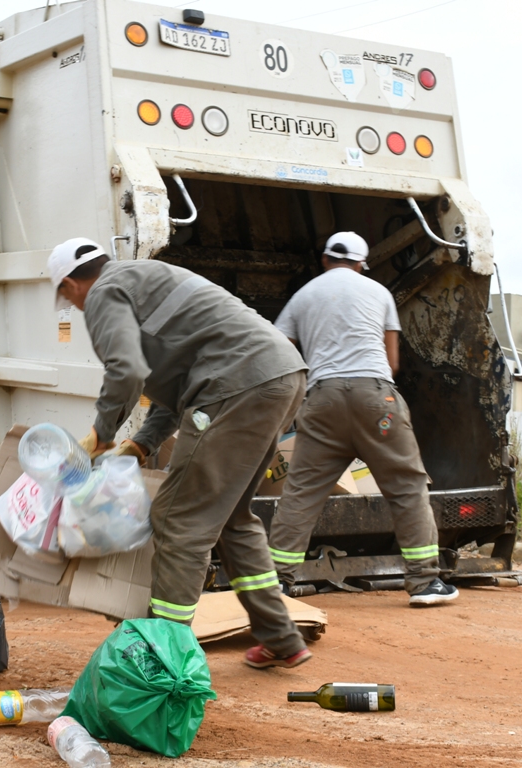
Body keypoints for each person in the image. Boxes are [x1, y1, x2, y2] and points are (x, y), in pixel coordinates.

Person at [49, 237, 313, 668]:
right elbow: (177, 389)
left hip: (237, 384)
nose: (72, 305)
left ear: (70, 284)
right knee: (230, 518)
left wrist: (101, 433)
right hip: (280, 374)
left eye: (66, 294)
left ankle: (163, 656)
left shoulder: (102, 292)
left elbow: (127, 369)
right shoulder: (140, 280)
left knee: (178, 520)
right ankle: (282, 638)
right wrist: (140, 444)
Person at [267, 232, 458, 607]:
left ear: (325, 260)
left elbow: (277, 350)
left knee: (301, 493)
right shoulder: (379, 293)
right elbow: (392, 363)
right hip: (376, 402)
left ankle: (276, 584)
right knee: (405, 485)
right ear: (361, 263)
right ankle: (424, 583)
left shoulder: (302, 297)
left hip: (321, 402)